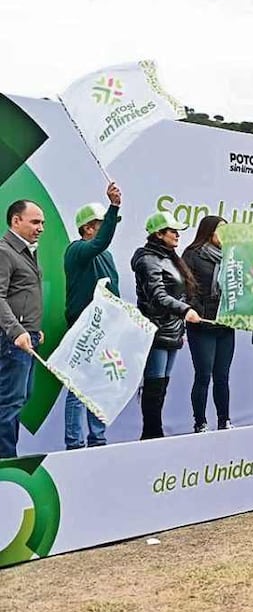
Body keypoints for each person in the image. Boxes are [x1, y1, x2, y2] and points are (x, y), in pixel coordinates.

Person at [62, 182, 122, 449]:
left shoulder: (105, 255)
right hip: (85, 326)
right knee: (78, 388)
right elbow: (101, 241)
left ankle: (97, 440)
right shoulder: (77, 250)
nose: (108, 228)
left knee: (98, 387)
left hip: (106, 328)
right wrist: (114, 206)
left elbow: (114, 291)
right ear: (88, 228)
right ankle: (74, 444)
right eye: (101, 223)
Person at [132, 212, 201, 440]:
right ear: (158, 234)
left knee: (162, 385)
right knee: (153, 385)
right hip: (155, 330)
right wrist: (185, 311)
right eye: (172, 231)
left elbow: (180, 293)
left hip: (173, 330)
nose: (177, 235)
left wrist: (181, 323)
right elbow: (157, 296)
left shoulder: (171, 258)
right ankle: (150, 434)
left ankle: (155, 432)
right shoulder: (147, 260)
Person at [0, 199, 46, 459]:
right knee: (9, 403)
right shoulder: (4, 251)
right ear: (16, 221)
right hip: (12, 341)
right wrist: (17, 330)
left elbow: (22, 295)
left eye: (42, 223)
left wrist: (32, 329)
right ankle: (6, 463)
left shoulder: (27, 251)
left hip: (27, 339)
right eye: (35, 221)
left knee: (20, 398)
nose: (41, 227)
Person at [181, 216, 235, 433]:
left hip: (225, 323)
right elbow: (185, 288)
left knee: (222, 376)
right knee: (203, 375)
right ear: (208, 231)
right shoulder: (192, 254)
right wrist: (195, 309)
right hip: (202, 323)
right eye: (220, 231)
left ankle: (225, 420)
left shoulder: (232, 257)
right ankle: (200, 422)